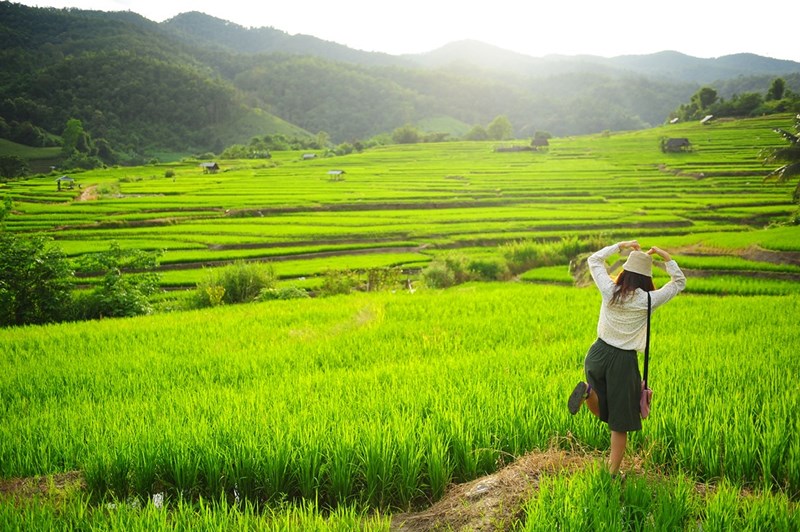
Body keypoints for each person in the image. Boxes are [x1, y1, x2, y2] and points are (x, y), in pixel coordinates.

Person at [568, 240, 686, 476]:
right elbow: (679, 282)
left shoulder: (610, 290)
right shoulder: (648, 300)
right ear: (646, 278)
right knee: (619, 424)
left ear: (625, 272)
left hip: (597, 354)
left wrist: (619, 246)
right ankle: (612, 474)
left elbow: (594, 260)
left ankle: (587, 392)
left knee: (605, 410)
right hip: (622, 363)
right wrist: (665, 256)